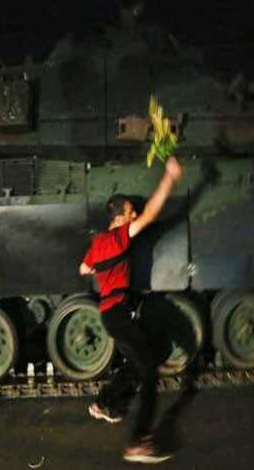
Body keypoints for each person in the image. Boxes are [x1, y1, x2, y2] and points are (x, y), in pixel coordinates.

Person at [79, 156, 183, 464]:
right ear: (120, 218)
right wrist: (170, 177)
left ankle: (105, 403)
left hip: (111, 315)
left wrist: (98, 269)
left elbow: (83, 267)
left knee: (139, 361)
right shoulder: (117, 239)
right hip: (118, 314)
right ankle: (139, 441)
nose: (134, 214)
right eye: (129, 213)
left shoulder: (99, 242)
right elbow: (150, 214)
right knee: (149, 372)